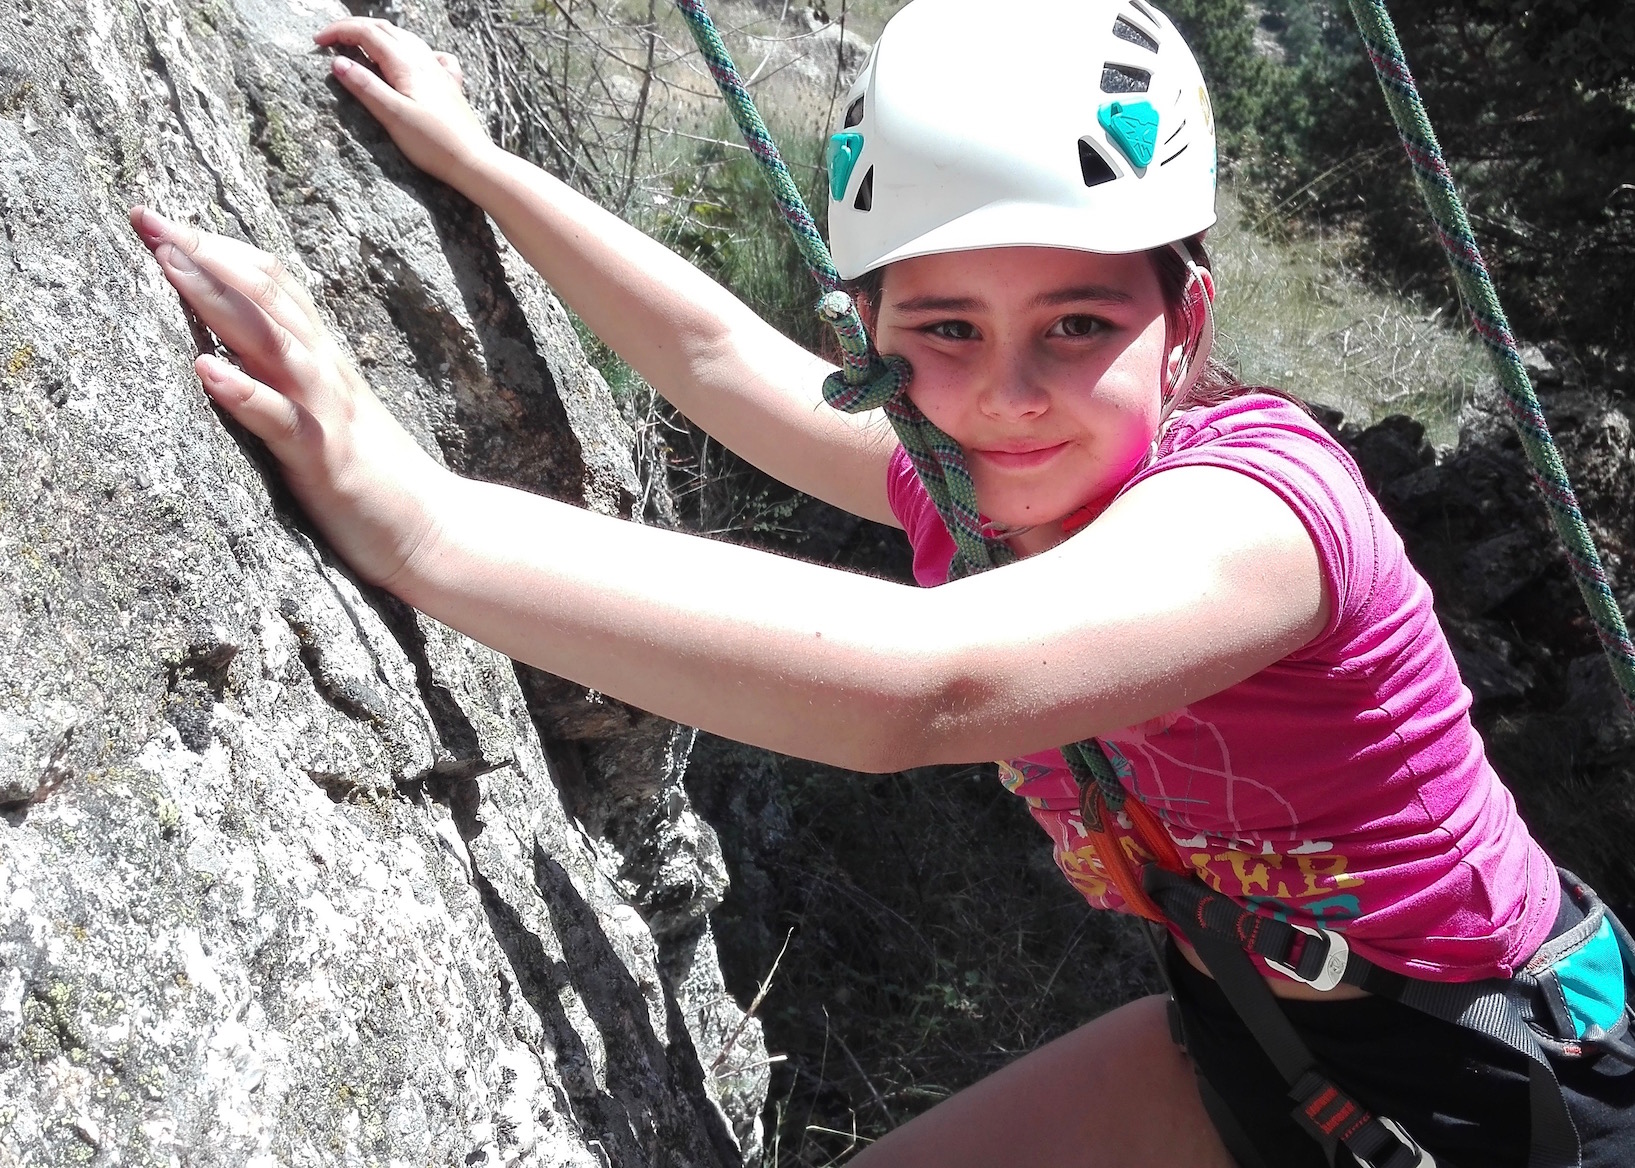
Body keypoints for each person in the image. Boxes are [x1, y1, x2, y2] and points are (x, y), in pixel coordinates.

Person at [128, 0, 1635, 1163]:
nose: (1008, 395)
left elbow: (934, 684)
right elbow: (727, 362)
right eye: (946, 329)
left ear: (1187, 322)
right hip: (1266, 1036)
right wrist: (480, 165)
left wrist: (419, 524)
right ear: (874, 331)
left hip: (1505, 1086)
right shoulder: (981, 486)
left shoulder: (1259, 517)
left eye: (1077, 323)